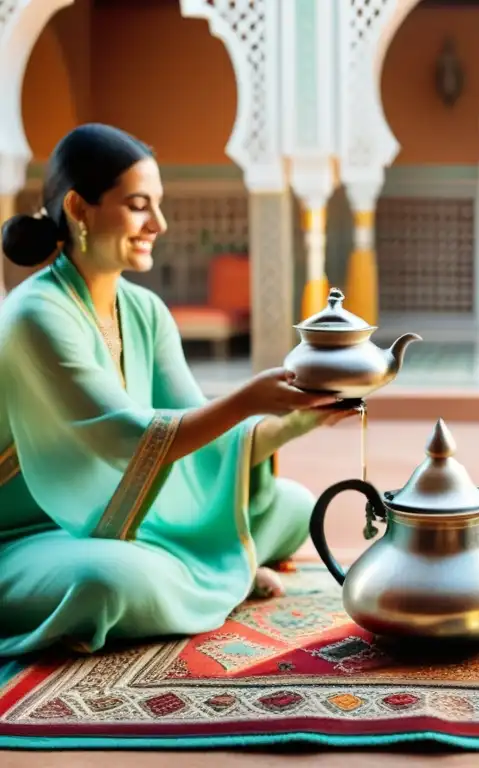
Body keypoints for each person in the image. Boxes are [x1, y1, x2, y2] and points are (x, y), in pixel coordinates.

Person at [0, 124, 357, 658]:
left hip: (135, 516)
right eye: (139, 206)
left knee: (292, 506)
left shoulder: (144, 310)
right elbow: (127, 440)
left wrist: (305, 415)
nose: (158, 224)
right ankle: (220, 571)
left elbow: (206, 438)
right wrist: (248, 399)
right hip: (31, 534)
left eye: (158, 205)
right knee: (107, 583)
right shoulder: (37, 314)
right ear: (79, 208)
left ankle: (205, 571)